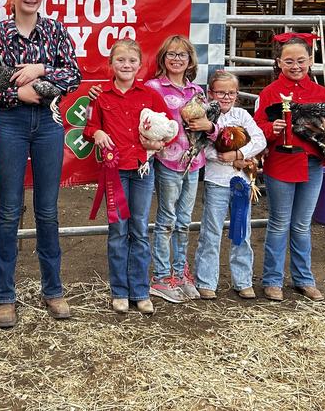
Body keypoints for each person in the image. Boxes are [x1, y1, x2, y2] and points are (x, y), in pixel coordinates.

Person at [0, 0, 81, 328]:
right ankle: (5, 296)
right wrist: (16, 93)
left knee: (48, 210)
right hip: (12, 122)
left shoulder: (55, 30)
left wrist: (41, 68)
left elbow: (74, 74)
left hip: (49, 122)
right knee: (9, 210)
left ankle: (53, 290)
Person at [253, 33, 325, 302]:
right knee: (280, 223)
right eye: (289, 61)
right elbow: (257, 128)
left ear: (310, 61)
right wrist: (272, 128)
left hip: (311, 164)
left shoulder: (321, 93)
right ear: (279, 62)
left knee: (302, 224)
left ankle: (304, 279)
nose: (295, 66)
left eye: (301, 60)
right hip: (281, 163)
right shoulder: (270, 93)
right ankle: (272, 280)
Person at [84, 39, 169, 315]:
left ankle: (140, 291)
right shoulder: (100, 96)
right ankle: (119, 291)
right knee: (118, 230)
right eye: (120, 60)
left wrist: (159, 143)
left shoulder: (150, 95)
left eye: (132, 60)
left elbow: (169, 127)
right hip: (115, 171)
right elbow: (89, 127)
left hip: (142, 169)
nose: (126, 65)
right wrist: (97, 132)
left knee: (140, 228)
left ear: (140, 64)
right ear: (111, 63)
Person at [190, 70, 266, 300]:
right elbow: (202, 148)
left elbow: (260, 139)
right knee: (211, 231)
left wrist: (238, 154)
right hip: (216, 181)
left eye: (231, 93)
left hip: (242, 181)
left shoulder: (242, 115)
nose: (226, 97)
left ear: (237, 94)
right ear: (211, 93)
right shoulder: (206, 116)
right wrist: (227, 157)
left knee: (242, 230)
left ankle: (243, 280)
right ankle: (206, 280)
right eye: (221, 92)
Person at [144, 36, 205, 303]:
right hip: (168, 161)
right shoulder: (153, 88)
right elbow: (144, 123)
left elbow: (206, 126)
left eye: (182, 54)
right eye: (171, 54)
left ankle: (180, 273)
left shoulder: (197, 92)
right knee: (167, 219)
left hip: (194, 161)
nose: (177, 59)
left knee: (184, 220)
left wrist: (206, 126)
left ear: (190, 60)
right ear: (163, 58)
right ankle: (161, 276)